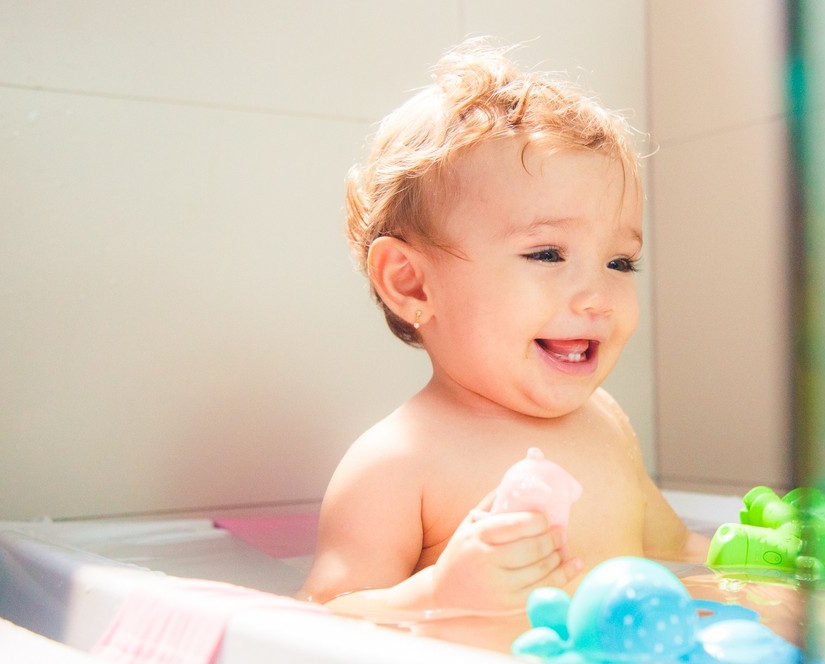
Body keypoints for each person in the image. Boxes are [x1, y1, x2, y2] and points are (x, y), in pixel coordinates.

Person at [298, 40, 708, 619]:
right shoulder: (396, 464)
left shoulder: (606, 423)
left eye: (619, 263)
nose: (598, 298)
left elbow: (671, 549)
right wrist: (437, 595)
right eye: (546, 254)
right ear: (413, 285)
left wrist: (778, 568)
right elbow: (318, 618)